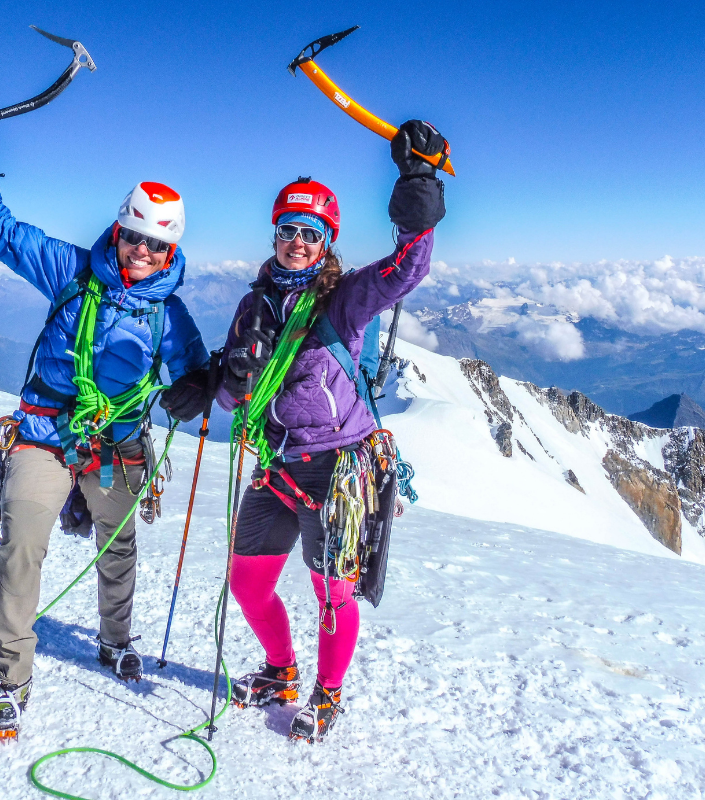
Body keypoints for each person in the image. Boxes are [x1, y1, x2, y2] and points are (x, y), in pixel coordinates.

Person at [0, 101, 213, 740]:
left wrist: (201, 390)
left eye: (158, 243)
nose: (144, 250)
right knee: (22, 546)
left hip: (116, 443)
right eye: (136, 236)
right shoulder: (71, 270)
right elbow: (1, 231)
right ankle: (10, 680)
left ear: (171, 247)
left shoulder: (169, 317)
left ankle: (115, 639)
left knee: (117, 547)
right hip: (43, 434)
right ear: (117, 231)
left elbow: (197, 377)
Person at [216, 120, 448, 742]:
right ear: (275, 234)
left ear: (326, 241)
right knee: (247, 581)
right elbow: (231, 389)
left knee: (331, 595)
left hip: (337, 466)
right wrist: (229, 378)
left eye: (309, 232)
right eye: (288, 229)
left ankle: (328, 693)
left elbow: (404, 272)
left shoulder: (343, 299)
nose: (296, 240)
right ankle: (281, 671)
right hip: (277, 460)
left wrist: (416, 189)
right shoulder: (255, 305)